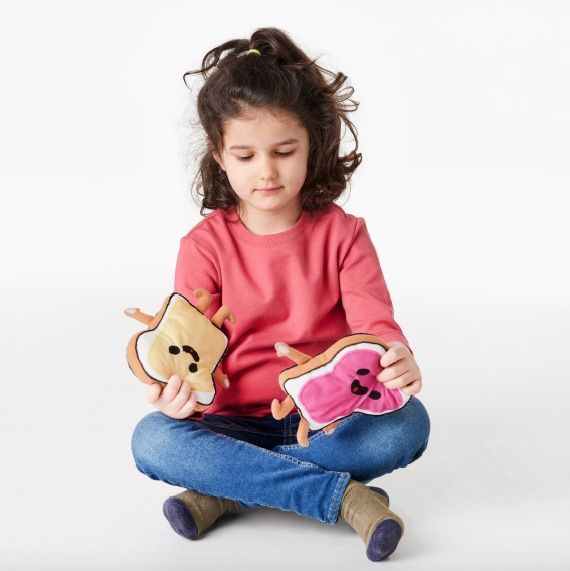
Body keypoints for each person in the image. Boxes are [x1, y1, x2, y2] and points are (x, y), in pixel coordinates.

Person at [130, 27, 431, 562]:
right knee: (152, 439)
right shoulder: (203, 246)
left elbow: (374, 324)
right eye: (245, 155)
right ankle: (343, 499)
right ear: (219, 156)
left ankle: (226, 491)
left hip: (327, 421)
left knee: (408, 426)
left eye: (284, 151)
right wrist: (174, 396)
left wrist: (395, 355)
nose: (266, 171)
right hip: (227, 424)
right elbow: (189, 347)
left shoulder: (345, 235)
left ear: (312, 145)